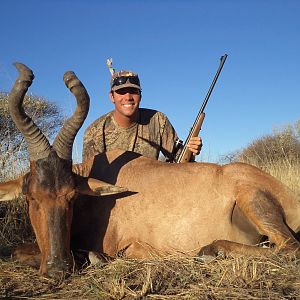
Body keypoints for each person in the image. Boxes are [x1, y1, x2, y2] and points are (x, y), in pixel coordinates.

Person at [82, 69, 202, 162]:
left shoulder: (159, 120)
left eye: (134, 92)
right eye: (121, 92)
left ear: (140, 96)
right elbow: (89, 177)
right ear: (112, 96)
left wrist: (191, 150)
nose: (128, 97)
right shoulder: (94, 132)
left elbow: (180, 159)